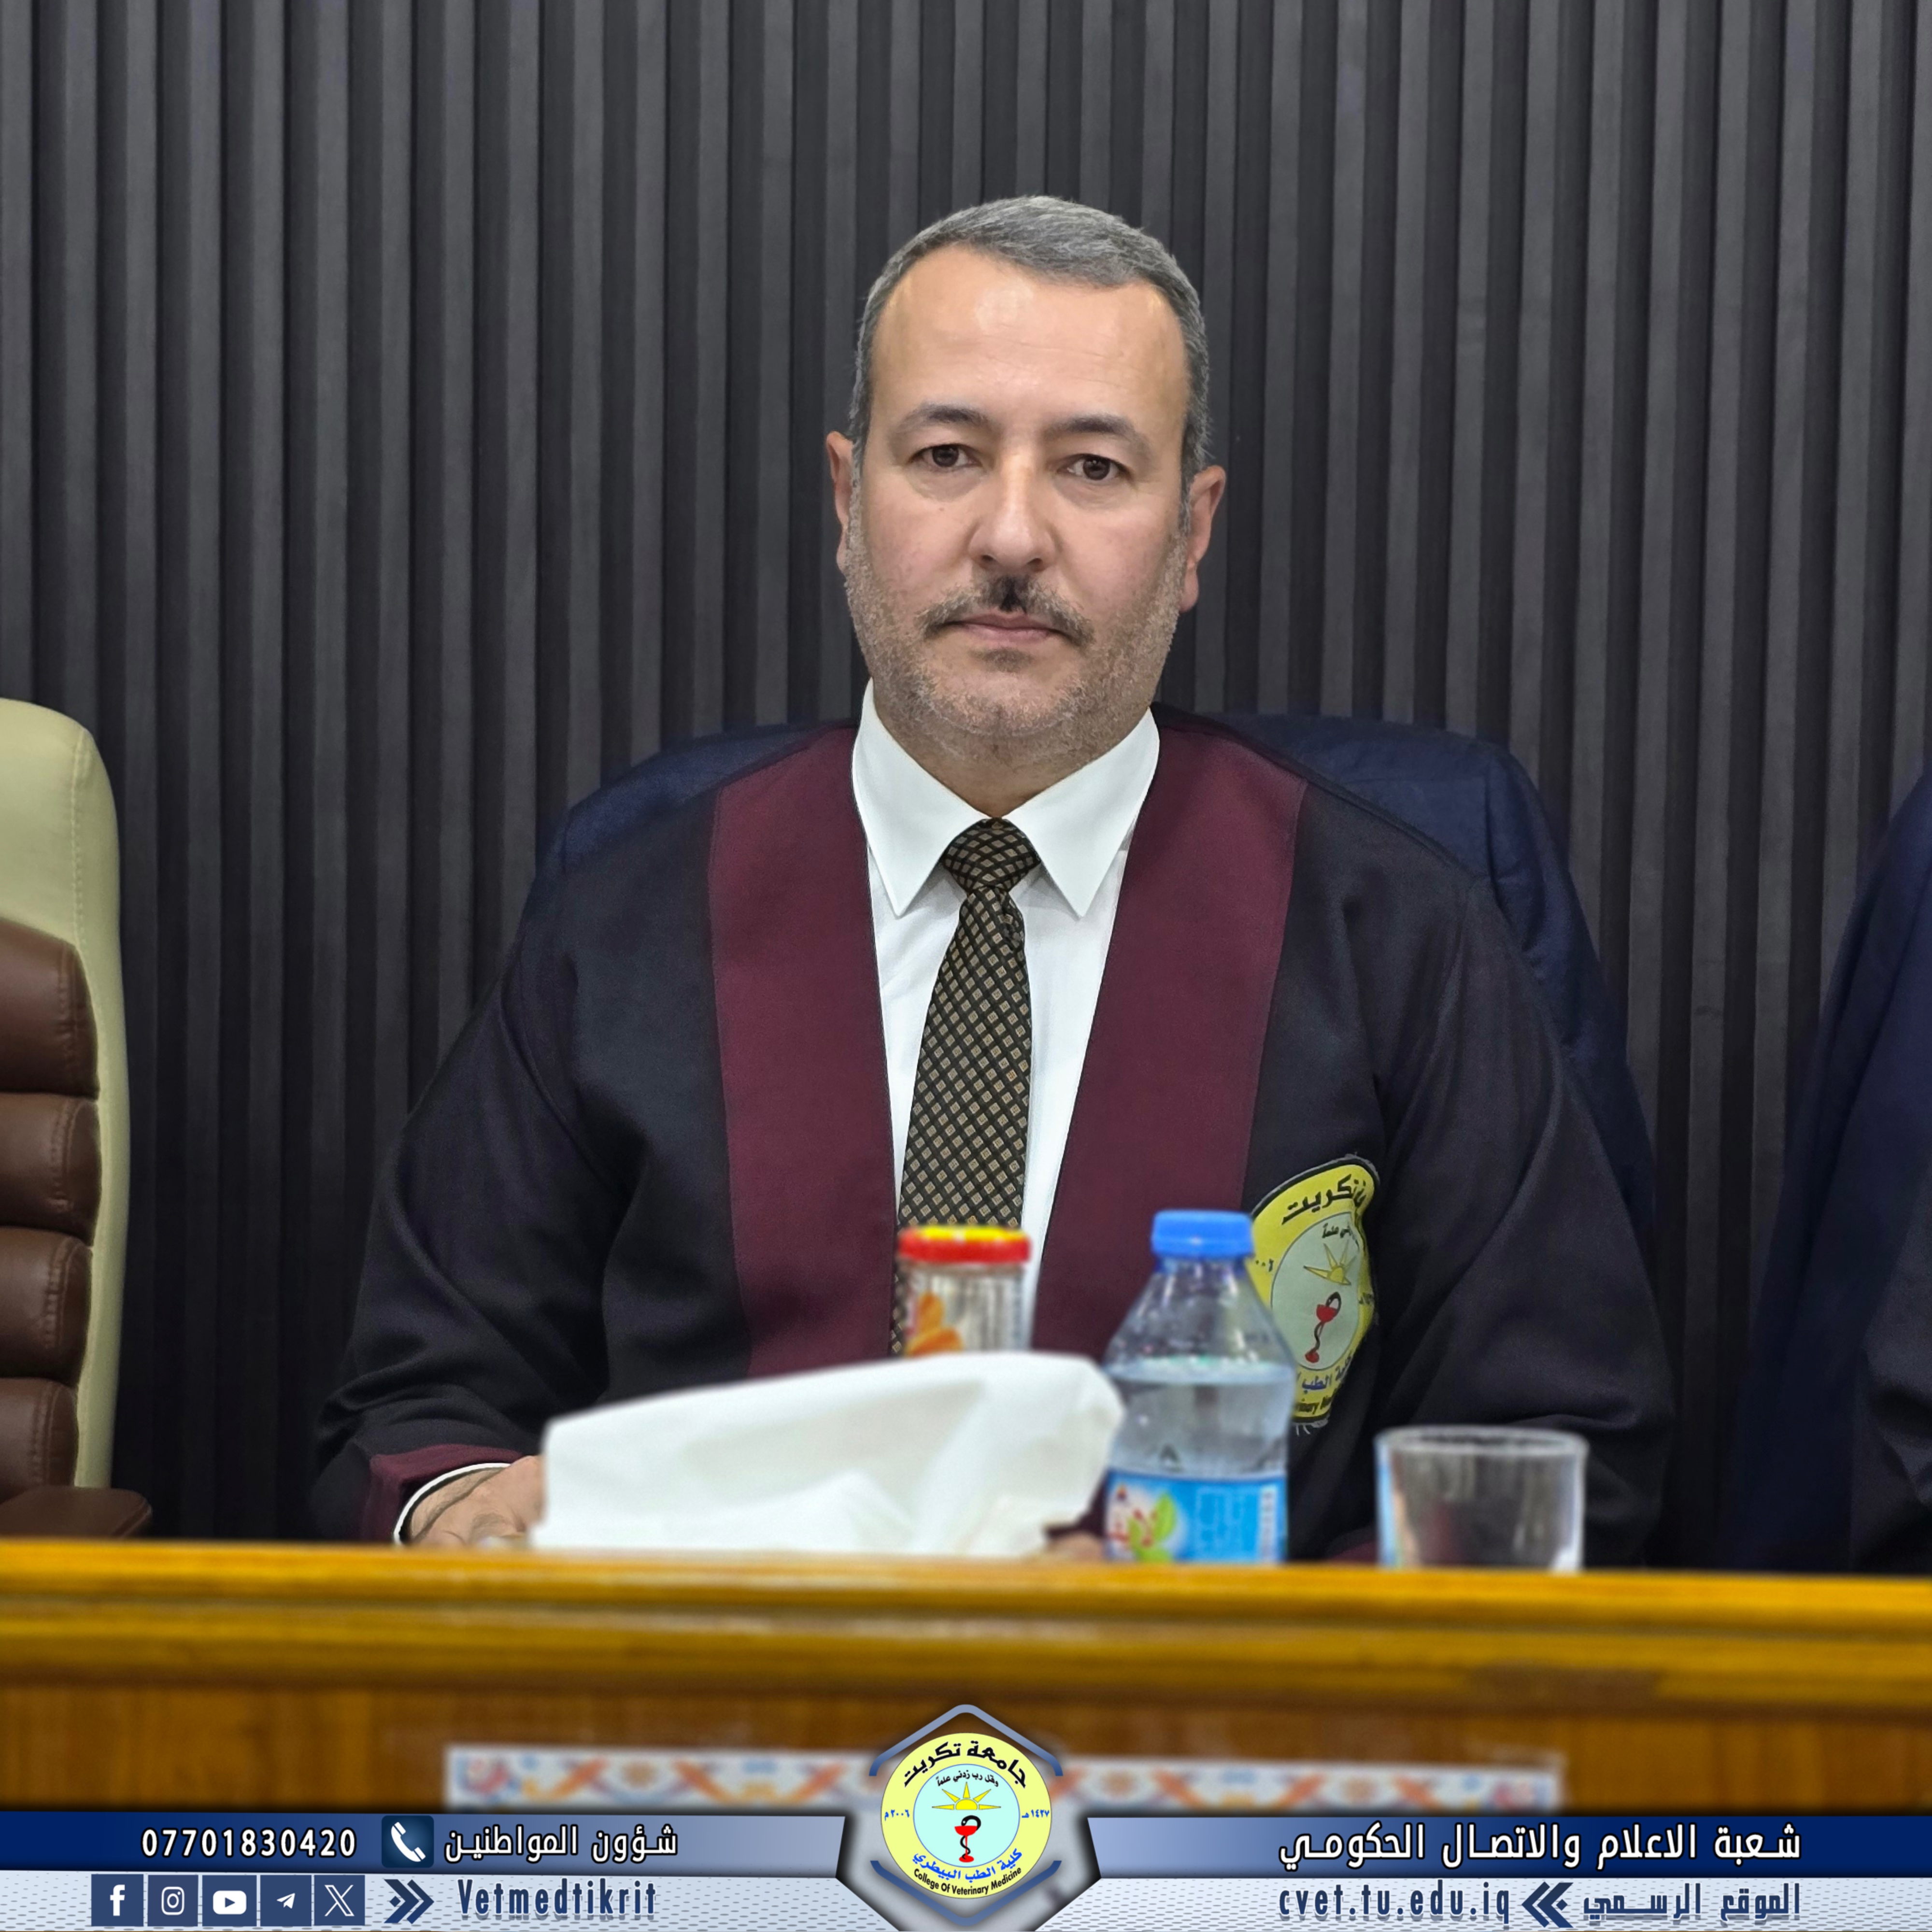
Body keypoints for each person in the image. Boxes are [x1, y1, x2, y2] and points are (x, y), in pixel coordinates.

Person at [314, 197, 1671, 1556]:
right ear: (848, 501)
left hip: (1211, 1690)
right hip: (723, 1682)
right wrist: (466, 1517)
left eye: (1093, 468)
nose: (1013, 536)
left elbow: (1556, 1447)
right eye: (948, 455)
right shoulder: (625, 918)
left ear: (1193, 533)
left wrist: (1225, 1634)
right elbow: (418, 1402)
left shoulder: (1397, 934)